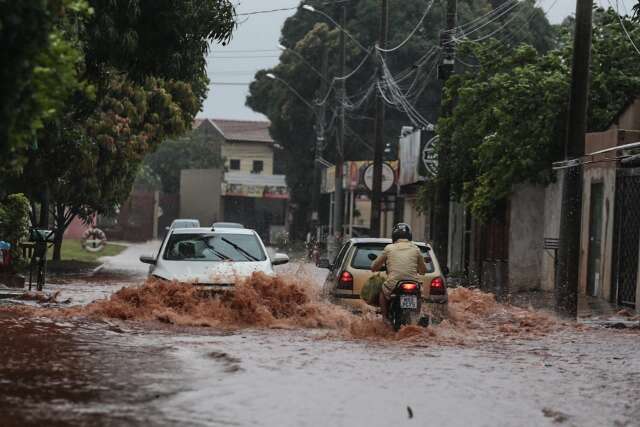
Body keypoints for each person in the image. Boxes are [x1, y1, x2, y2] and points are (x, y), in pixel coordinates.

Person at [371, 223, 427, 322]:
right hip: (413, 283)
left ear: (394, 236)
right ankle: (416, 318)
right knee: (418, 296)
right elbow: (423, 270)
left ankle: (384, 318)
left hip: (394, 283)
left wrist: (374, 268)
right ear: (409, 236)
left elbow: (375, 266)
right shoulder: (416, 249)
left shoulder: (389, 248)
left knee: (382, 292)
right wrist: (420, 271)